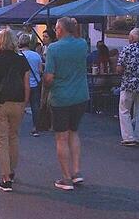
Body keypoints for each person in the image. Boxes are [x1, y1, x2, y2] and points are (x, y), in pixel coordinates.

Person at [43, 17, 89, 191]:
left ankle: (66, 177)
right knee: (74, 132)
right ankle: (77, 172)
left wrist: (46, 84)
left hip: (61, 97)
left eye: (56, 28)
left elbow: (49, 77)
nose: (55, 30)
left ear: (60, 30)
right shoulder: (82, 44)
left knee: (61, 137)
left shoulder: (53, 49)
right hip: (81, 95)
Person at [0, 29, 30, 192]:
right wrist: (25, 103)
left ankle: (5, 178)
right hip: (17, 102)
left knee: (1, 139)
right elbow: (26, 85)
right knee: (14, 137)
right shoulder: (21, 61)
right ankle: (12, 171)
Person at [19, 34, 43, 136]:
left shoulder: (19, 56)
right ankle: (35, 127)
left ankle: (16, 126)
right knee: (35, 106)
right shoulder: (36, 55)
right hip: (35, 84)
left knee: (20, 105)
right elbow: (40, 70)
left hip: (22, 85)